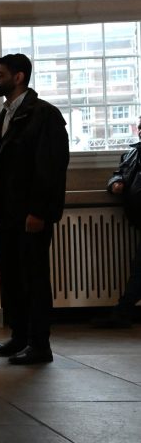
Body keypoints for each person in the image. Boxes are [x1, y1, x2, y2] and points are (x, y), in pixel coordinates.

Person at [0, 53, 70, 364]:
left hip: (30, 215)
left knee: (34, 279)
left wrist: (39, 211)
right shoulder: (3, 116)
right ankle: (20, 337)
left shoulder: (44, 115)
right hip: (7, 213)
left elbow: (52, 167)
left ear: (18, 77)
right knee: (12, 277)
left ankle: (40, 345)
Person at [91, 117, 141, 328]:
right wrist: (116, 183)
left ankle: (122, 312)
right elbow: (118, 173)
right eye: (140, 126)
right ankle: (123, 312)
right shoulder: (132, 154)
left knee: (140, 268)